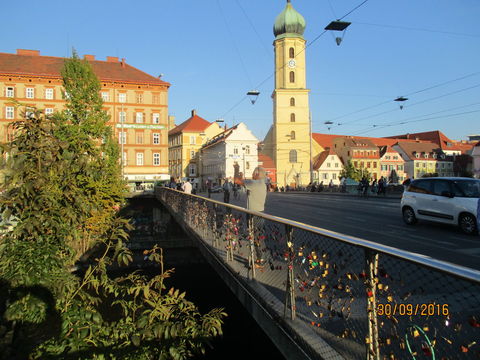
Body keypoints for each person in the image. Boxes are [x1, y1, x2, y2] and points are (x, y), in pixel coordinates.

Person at [243, 167, 268, 268]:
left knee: (255, 237)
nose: (252, 175)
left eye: (253, 173)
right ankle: (259, 257)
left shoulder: (254, 183)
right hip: (260, 213)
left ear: (257, 174)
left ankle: (260, 259)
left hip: (253, 214)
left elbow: (237, 180)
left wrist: (236, 169)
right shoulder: (262, 184)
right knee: (258, 236)